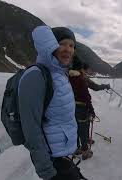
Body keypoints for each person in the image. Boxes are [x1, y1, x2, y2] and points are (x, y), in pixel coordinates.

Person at [18, 26, 85, 180]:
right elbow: (30, 128)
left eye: (71, 46)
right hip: (51, 161)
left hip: (61, 155)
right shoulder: (36, 76)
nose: (68, 49)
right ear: (51, 45)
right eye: (62, 44)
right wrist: (47, 170)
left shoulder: (59, 74)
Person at [69, 57, 110, 160]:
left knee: (75, 127)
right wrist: (91, 110)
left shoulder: (67, 76)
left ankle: (77, 147)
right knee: (84, 125)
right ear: (81, 68)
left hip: (70, 107)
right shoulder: (82, 78)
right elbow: (90, 92)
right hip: (82, 107)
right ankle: (85, 150)